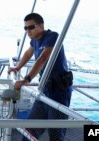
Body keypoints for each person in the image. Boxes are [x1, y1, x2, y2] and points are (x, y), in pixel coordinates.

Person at [8, 13, 73, 141]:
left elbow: (43, 59)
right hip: (45, 90)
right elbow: (28, 53)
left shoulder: (52, 37)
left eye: (31, 27)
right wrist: (17, 68)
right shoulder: (35, 40)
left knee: (55, 134)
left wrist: (26, 79)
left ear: (41, 26)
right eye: (25, 28)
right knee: (29, 130)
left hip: (59, 92)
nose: (28, 31)